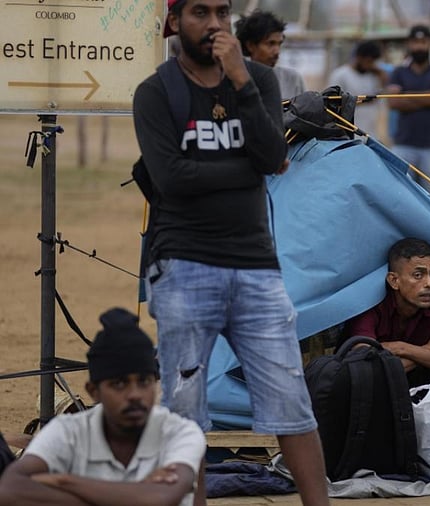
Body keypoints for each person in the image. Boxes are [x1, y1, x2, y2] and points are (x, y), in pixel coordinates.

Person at [132, 0, 329, 504]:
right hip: (183, 266)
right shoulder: (156, 93)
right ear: (174, 22)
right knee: (185, 412)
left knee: (292, 404)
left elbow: (273, 154)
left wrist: (241, 80)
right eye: (201, 12)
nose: (215, 23)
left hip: (256, 270)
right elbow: (173, 180)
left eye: (222, 11)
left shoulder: (258, 81)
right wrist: (249, 170)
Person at [0, 308, 205, 506]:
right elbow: (8, 490)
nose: (134, 394)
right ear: (93, 391)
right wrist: (139, 490)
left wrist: (66, 482)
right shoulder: (67, 432)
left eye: (144, 381)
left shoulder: (180, 433)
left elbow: (161, 497)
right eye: (119, 384)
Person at [344, 238, 430, 461]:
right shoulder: (370, 309)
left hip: (415, 387)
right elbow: (366, 369)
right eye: (418, 275)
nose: (429, 283)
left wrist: (404, 349)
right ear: (394, 280)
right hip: (378, 398)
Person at [386, 25, 430, 208]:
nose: (419, 47)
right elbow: (393, 102)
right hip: (403, 144)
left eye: (423, 42)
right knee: (402, 195)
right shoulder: (399, 72)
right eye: (415, 42)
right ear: (409, 44)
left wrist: (408, 96)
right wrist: (429, 97)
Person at [235, 9, 306, 100]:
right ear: (250, 45)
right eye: (270, 44)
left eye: (279, 44)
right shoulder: (237, 80)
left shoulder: (292, 80)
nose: (277, 51)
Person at [328, 40, 389, 137]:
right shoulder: (340, 75)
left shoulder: (373, 76)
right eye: (369, 61)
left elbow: (381, 100)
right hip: (347, 134)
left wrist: (382, 78)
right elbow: (332, 103)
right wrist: (361, 101)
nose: (371, 65)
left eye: (373, 62)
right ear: (359, 57)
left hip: (370, 134)